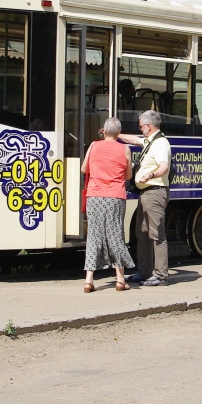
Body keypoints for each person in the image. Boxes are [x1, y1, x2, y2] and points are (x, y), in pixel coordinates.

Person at [81, 117, 135, 292]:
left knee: (94, 237)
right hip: (115, 197)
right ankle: (120, 279)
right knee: (116, 235)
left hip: (94, 196)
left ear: (104, 131)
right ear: (118, 133)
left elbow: (84, 169)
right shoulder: (124, 149)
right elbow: (128, 176)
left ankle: (89, 280)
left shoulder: (94, 146)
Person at [119, 110, 172, 286]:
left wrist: (150, 175)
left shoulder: (161, 144)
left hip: (155, 192)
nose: (140, 129)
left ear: (149, 126)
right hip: (145, 194)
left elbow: (164, 166)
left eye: (141, 126)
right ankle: (144, 272)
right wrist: (115, 134)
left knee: (157, 234)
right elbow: (134, 140)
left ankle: (161, 275)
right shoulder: (150, 141)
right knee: (142, 233)